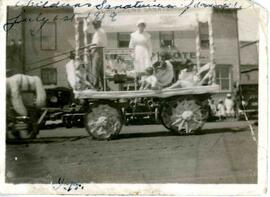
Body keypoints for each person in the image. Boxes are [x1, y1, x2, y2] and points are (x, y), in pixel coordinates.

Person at [90, 19, 107, 90]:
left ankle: (95, 86)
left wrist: (92, 51)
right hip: (101, 50)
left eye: (95, 24)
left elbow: (96, 43)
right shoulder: (101, 31)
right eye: (94, 24)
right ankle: (104, 86)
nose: (94, 26)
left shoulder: (99, 32)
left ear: (98, 24)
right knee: (100, 70)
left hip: (98, 50)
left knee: (95, 68)